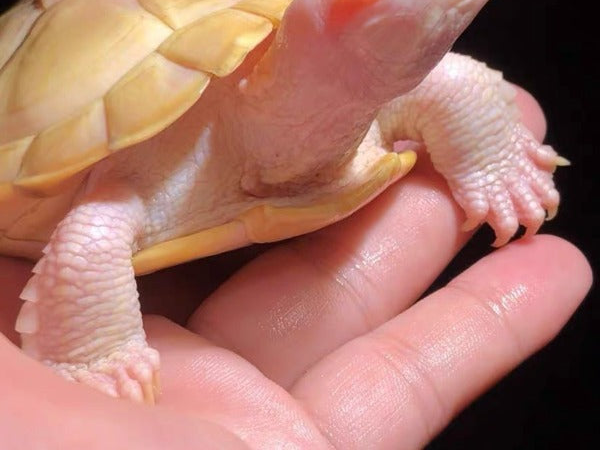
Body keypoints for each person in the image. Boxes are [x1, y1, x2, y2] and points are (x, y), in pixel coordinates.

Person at [0, 86, 591, 449]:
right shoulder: (140, 174)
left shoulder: (369, 97)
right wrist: (90, 354)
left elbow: (441, 80)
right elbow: (92, 229)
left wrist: (486, 150)